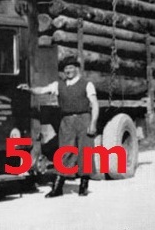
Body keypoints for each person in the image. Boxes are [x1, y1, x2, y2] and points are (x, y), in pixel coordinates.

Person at [17, 56, 99, 197]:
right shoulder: (58, 85)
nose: (69, 70)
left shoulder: (86, 84)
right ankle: (58, 187)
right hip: (66, 120)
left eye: (71, 67)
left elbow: (95, 104)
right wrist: (29, 89)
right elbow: (42, 90)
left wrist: (93, 123)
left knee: (85, 151)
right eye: (66, 68)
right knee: (64, 151)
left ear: (76, 69)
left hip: (84, 118)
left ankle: (83, 185)